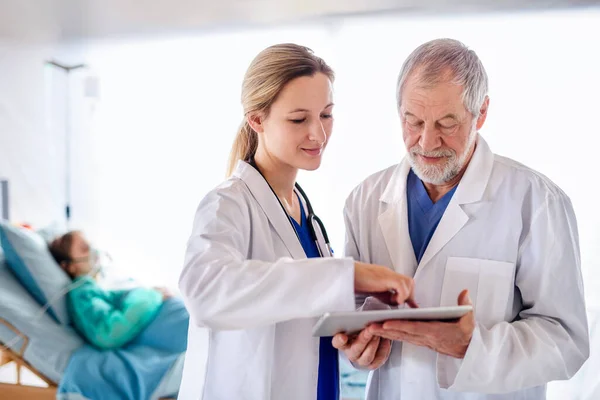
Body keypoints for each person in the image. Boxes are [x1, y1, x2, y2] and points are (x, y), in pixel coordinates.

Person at [335, 38, 590, 399]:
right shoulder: (364, 201)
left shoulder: (536, 201)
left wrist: (472, 347)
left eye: (447, 123)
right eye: (413, 121)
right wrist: (357, 351)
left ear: (481, 113)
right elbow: (354, 316)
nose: (426, 141)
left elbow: (567, 342)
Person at [177, 43, 414, 400]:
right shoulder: (228, 204)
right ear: (257, 119)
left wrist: (356, 343)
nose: (318, 134)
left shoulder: (305, 215)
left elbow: (303, 314)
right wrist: (347, 274)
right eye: (299, 119)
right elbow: (205, 293)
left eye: (326, 115)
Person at [49, 230, 173, 349]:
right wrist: (152, 296)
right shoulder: (81, 294)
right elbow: (109, 333)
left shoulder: (93, 288)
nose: (93, 251)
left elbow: (119, 298)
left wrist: (148, 292)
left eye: (91, 245)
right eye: (85, 249)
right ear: (70, 266)